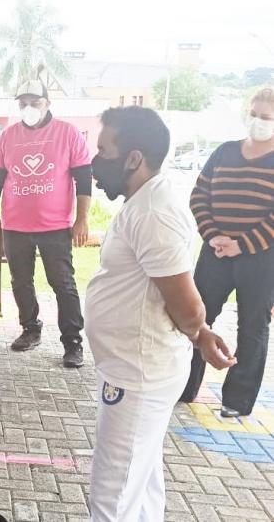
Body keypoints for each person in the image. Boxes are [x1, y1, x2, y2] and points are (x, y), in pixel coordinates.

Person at [85, 106, 235, 521]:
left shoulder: (153, 211)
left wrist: (199, 330)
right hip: (134, 369)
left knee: (113, 496)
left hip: (138, 375)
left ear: (133, 158)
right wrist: (200, 334)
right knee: (141, 484)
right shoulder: (144, 201)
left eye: (103, 150)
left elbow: (186, 304)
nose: (95, 161)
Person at [0, 80, 92, 368]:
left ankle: (72, 342)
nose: (28, 108)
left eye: (35, 102)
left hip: (55, 227)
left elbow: (83, 178)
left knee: (63, 284)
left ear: (47, 103)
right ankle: (30, 328)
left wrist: (82, 219)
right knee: (21, 281)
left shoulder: (67, 133)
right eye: (23, 104)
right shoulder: (8, 137)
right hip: (15, 226)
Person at [178, 88, 274, 417]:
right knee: (196, 317)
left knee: (253, 327)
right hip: (215, 253)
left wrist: (242, 244)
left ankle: (237, 400)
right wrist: (213, 234)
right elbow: (199, 195)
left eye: (266, 117)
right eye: (254, 114)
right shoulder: (224, 152)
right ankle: (184, 386)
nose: (258, 121)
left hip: (261, 258)